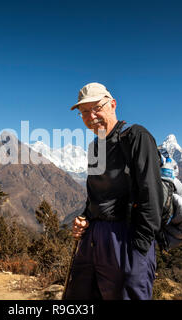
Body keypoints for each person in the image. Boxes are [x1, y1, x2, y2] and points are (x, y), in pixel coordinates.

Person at [63, 82, 164, 300]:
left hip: (126, 237)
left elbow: (151, 194)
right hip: (93, 238)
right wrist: (85, 217)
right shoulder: (94, 148)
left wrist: (138, 250)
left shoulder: (136, 137)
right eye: (84, 112)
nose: (91, 116)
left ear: (113, 104)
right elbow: (96, 196)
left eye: (97, 107)